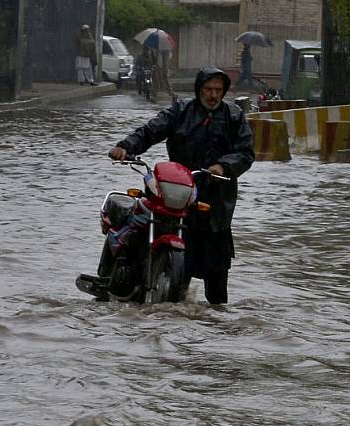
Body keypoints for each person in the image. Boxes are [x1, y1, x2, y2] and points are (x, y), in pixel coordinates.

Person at [108, 67, 254, 304]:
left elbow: (245, 152)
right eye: (208, 89)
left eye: (218, 90)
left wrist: (224, 167)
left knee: (217, 270)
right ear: (199, 90)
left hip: (215, 200)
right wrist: (126, 147)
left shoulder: (234, 116)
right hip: (176, 192)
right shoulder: (181, 110)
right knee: (150, 232)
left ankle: (216, 321)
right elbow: (151, 131)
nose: (213, 95)